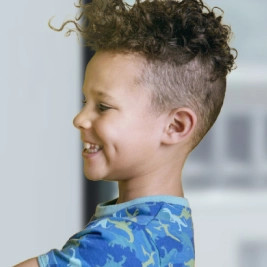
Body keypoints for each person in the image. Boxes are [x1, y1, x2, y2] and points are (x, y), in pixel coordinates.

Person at [15, 0, 236, 266]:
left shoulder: (122, 242)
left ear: (175, 126)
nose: (80, 119)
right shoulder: (167, 223)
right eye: (86, 102)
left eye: (104, 107)